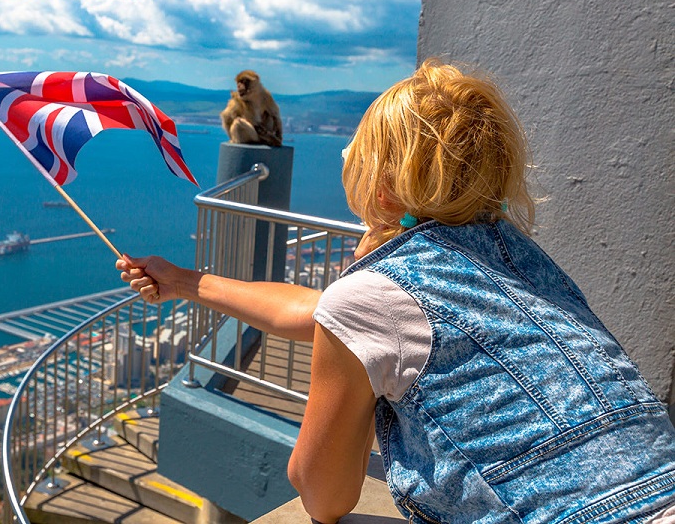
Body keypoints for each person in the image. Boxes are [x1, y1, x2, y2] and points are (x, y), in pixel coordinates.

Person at [117, 59, 675, 523]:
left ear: (384, 188)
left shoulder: (374, 299)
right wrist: (187, 282)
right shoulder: (517, 256)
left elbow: (322, 494)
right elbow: (329, 315)